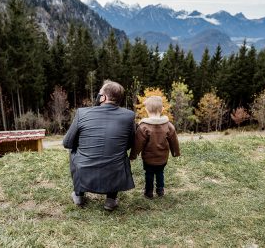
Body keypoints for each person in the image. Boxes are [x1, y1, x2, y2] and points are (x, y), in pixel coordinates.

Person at [63, 80, 135, 211]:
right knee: (119, 150)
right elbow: (130, 144)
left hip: (85, 169)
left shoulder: (82, 113)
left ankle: (78, 194)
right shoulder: (129, 116)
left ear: (104, 97)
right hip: (114, 169)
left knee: (73, 150)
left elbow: (67, 143)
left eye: (100, 93)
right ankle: (111, 200)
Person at [130, 96, 180, 198]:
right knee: (160, 173)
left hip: (148, 159)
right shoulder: (168, 125)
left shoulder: (143, 126)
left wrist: (133, 155)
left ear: (147, 110)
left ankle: (148, 192)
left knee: (149, 174)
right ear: (162, 109)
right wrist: (176, 152)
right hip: (162, 158)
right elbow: (174, 140)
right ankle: (160, 190)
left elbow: (138, 143)